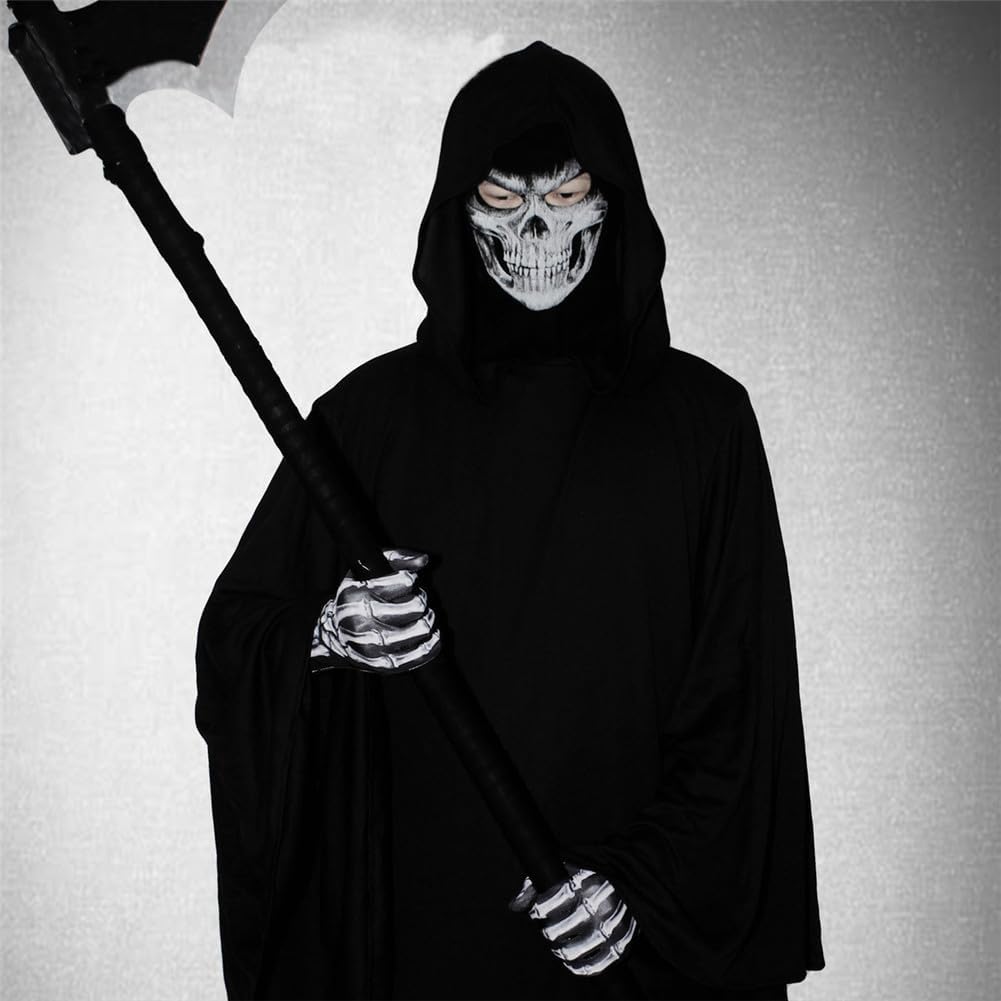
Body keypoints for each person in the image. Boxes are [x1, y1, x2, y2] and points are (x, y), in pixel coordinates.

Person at [195, 40, 825, 1001]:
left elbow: (742, 712)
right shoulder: (368, 421)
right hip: (421, 947)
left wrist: (640, 889)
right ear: (457, 210)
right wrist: (329, 635)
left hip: (624, 955)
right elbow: (237, 634)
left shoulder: (705, 427)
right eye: (502, 198)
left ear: (613, 205)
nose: (535, 228)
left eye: (566, 195)